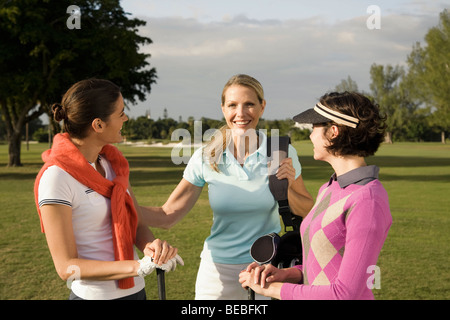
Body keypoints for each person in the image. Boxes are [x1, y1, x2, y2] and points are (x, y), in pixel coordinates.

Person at [139, 74, 314, 299]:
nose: (240, 113)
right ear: (223, 109)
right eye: (232, 105)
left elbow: (307, 210)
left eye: (249, 104)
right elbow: (168, 214)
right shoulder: (206, 156)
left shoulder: (281, 152)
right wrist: (119, 206)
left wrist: (288, 186)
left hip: (264, 270)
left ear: (262, 106)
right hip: (216, 272)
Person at [34, 79, 182, 300]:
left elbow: (137, 222)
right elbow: (65, 267)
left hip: (136, 292)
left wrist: (152, 249)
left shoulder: (114, 164)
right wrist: (136, 267)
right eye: (121, 113)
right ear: (98, 125)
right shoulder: (57, 177)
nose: (126, 118)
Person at [239, 91, 392, 300]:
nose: (310, 135)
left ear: (333, 132)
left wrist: (271, 290)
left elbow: (344, 294)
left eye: (314, 128)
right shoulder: (330, 187)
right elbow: (323, 262)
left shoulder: (367, 200)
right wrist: (286, 274)